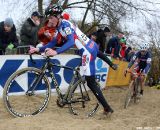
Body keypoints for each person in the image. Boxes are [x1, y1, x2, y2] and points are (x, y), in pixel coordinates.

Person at [30, 4, 113, 115]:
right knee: (83, 77)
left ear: (58, 16)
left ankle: (107, 108)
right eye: (48, 18)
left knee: (91, 83)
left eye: (51, 17)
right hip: (86, 50)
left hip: (88, 52)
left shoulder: (65, 25)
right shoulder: (60, 27)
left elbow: (71, 41)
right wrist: (37, 48)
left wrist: (56, 52)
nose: (49, 20)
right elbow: (53, 42)